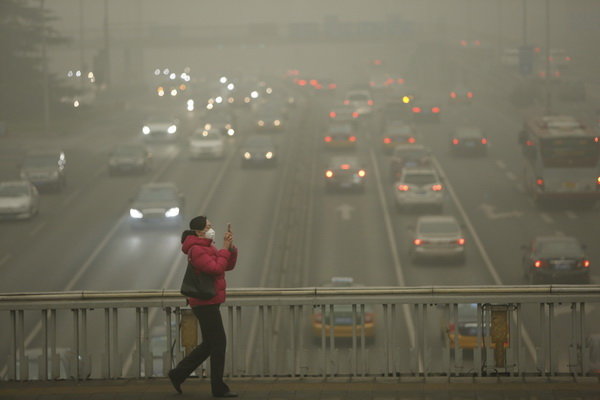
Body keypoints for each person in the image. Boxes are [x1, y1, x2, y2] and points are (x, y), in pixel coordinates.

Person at [168, 215, 238, 398]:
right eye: (208, 226)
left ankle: (178, 374)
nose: (211, 229)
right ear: (199, 231)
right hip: (204, 302)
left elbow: (226, 266)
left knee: (209, 344)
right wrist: (223, 248)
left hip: (211, 301)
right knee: (219, 343)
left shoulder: (207, 247)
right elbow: (215, 269)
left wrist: (230, 248)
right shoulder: (197, 249)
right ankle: (218, 388)